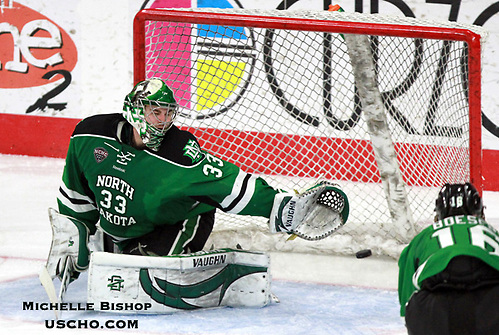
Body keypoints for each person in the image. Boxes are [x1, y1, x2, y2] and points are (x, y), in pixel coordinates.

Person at [46, 77, 348, 284]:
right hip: (123, 226)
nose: (163, 122)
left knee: (148, 272)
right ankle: (114, 245)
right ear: (134, 111)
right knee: (116, 264)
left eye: (168, 114)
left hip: (178, 222)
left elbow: (229, 183)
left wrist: (280, 206)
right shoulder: (89, 136)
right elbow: (77, 195)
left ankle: (191, 257)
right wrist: (72, 234)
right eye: (155, 113)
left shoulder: (181, 152)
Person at [398, 183, 499, 335]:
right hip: (492, 304)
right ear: (480, 214)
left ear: (438, 216)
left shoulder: (422, 238)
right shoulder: (493, 233)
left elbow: (406, 304)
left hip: (433, 311)